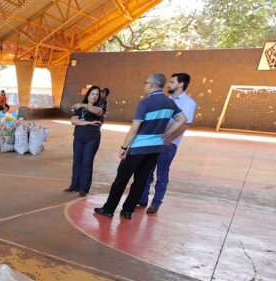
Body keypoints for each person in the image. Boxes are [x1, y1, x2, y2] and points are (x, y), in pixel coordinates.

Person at [94, 73, 187, 220]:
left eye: (145, 83)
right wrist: (165, 134)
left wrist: (124, 147)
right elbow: (182, 119)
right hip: (155, 148)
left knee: (121, 179)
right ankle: (127, 211)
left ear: (150, 84)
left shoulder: (145, 103)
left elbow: (134, 128)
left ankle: (109, 209)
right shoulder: (169, 102)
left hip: (139, 148)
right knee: (140, 181)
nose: (144, 86)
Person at [139, 73, 197, 213]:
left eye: (172, 82)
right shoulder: (168, 99)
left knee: (162, 173)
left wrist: (169, 140)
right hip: (155, 141)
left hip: (168, 145)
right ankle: (143, 199)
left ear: (181, 84)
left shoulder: (189, 103)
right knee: (148, 171)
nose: (169, 84)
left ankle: (156, 202)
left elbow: (184, 124)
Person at [66, 85, 104, 196]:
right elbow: (73, 120)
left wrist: (82, 104)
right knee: (77, 162)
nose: (94, 96)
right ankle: (74, 186)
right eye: (92, 93)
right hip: (78, 138)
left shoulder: (100, 107)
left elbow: (97, 112)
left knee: (87, 163)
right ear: (88, 95)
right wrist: (87, 122)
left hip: (91, 139)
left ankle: (84, 188)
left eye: (97, 94)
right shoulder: (79, 109)